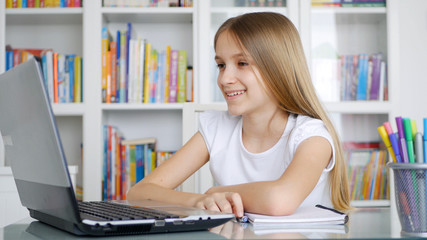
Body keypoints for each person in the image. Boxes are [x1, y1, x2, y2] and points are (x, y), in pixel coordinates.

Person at [127, 12, 350, 218]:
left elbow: (280, 199)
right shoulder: (217, 127)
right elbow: (139, 193)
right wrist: (198, 200)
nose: (224, 79)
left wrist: (217, 192)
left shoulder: (311, 136)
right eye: (221, 65)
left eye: (242, 63)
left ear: (278, 68)